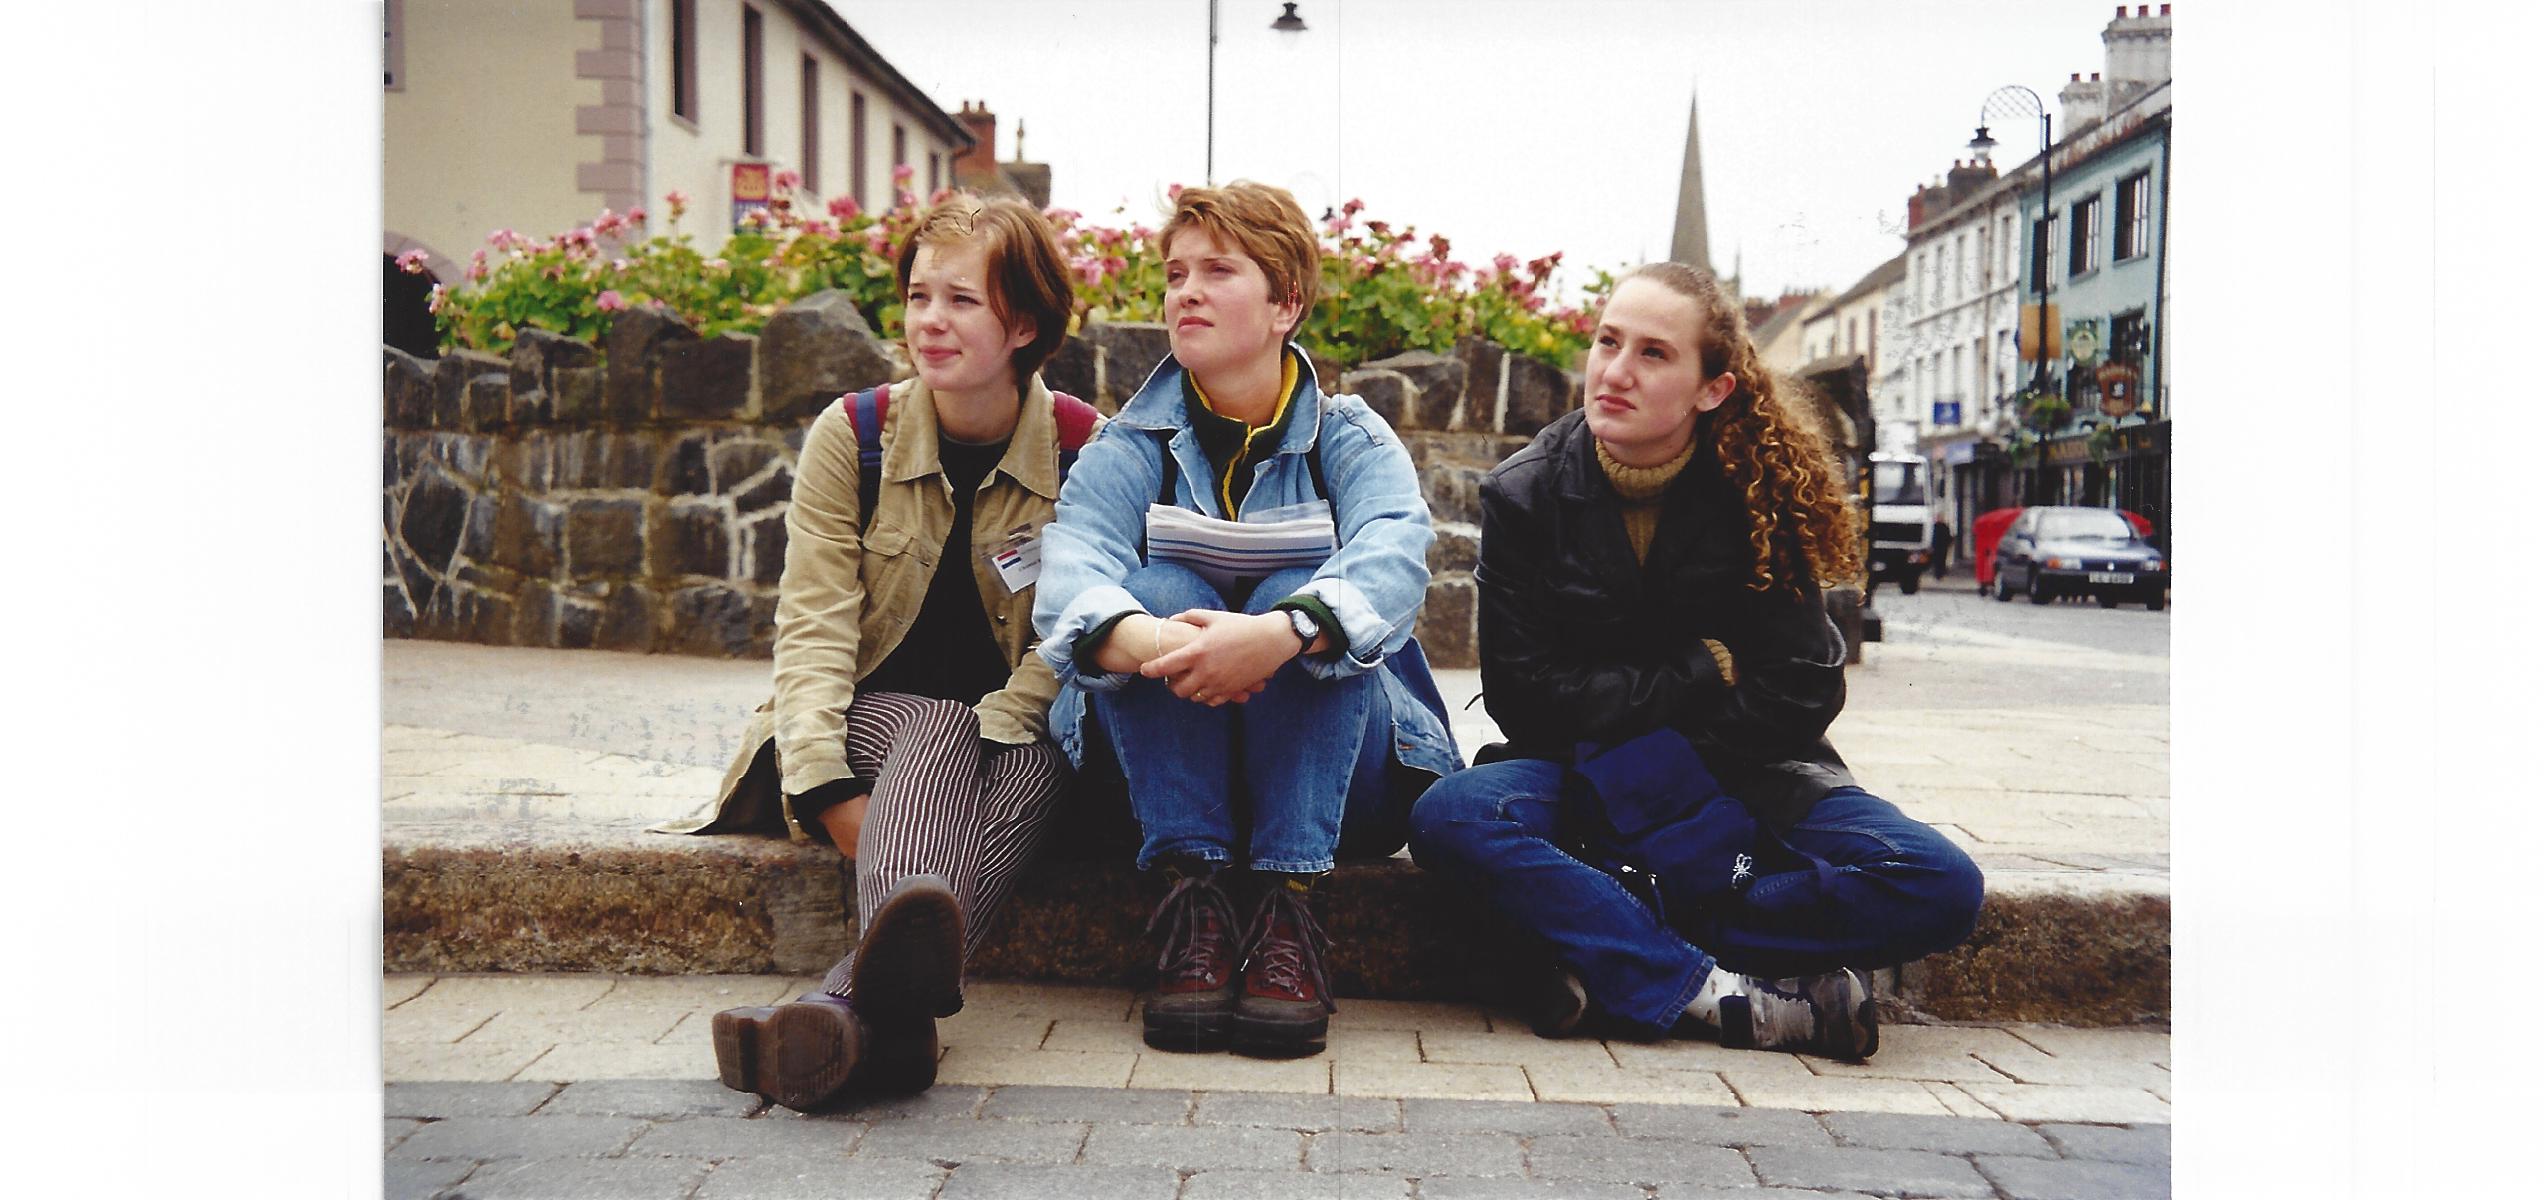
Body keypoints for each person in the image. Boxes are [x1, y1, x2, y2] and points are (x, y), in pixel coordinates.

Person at [1406, 262, 1983, 1061]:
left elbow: (1802, 690)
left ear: (1710, 388)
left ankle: (1610, 941)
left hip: (1748, 774)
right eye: (1608, 342)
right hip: (1581, 774)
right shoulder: (1525, 494)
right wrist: (1703, 669)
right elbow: (1526, 699)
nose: (1614, 371)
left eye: (1652, 354)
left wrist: (1669, 778)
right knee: (1452, 816)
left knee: (1940, 883)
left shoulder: (1759, 491)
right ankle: (1719, 997)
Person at [652, 194, 1099, 1110]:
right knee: (935, 721)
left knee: (1043, 765)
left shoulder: (1084, 448)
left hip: (1010, 741)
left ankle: (853, 1018)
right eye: (918, 294)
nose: (929, 320)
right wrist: (821, 785)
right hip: (863, 731)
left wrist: (998, 728)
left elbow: (1073, 635)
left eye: (961, 300)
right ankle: (874, 999)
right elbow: (812, 627)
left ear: (1022, 322)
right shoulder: (852, 435)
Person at [1032, 182, 1461, 1058]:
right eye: (1176, 271)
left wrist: (1274, 637)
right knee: (1153, 592)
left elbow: (1394, 555)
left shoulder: (1351, 435)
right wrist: (1172, 645)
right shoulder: (1125, 447)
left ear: (1286, 304)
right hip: (1152, 780)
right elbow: (1069, 576)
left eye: (1218, 271)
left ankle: (1289, 911)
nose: (1185, 289)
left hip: (1345, 790)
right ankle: (1192, 902)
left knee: (1299, 591)